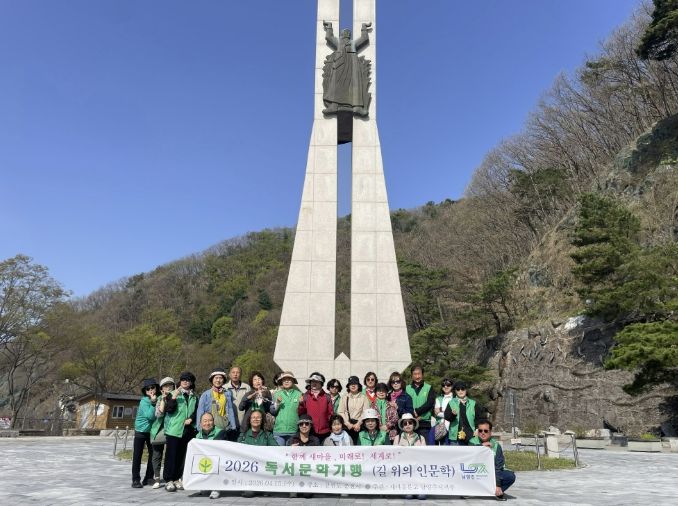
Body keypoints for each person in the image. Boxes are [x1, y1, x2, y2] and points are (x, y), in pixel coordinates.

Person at [163, 371, 198, 492]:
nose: (185, 382)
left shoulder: (194, 396)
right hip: (174, 429)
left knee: (182, 455)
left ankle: (177, 478)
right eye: (183, 379)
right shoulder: (172, 394)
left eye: (188, 380)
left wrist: (191, 419)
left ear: (191, 383)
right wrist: (174, 396)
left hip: (188, 430)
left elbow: (196, 411)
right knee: (171, 455)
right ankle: (168, 480)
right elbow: (169, 409)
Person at [469, 420, 515, 501]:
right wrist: (481, 446)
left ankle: (497, 491)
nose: (483, 433)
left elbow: (498, 467)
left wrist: (498, 485)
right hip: (475, 472)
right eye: (480, 430)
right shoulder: (472, 442)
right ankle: (470, 491)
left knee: (510, 476)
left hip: (491, 473)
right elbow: (467, 455)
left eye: (486, 431)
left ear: (490, 432)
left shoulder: (496, 445)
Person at [237, 410, 277, 498]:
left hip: (263, 471)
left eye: (258, 417)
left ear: (262, 420)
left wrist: (290, 449)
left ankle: (262, 488)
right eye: (253, 417)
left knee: (265, 492)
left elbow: (277, 449)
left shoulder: (267, 435)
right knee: (249, 493)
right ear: (250, 420)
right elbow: (235, 451)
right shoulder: (243, 436)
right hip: (248, 472)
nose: (256, 419)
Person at [131, 378, 158, 488]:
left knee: (153, 454)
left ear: (156, 388)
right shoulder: (144, 401)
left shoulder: (158, 398)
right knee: (137, 455)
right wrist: (153, 402)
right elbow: (150, 416)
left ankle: (149, 478)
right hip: (141, 431)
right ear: (145, 391)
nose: (151, 390)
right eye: (148, 389)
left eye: (153, 387)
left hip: (151, 431)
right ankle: (135, 479)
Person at [197, 369, 237, 441]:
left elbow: (230, 409)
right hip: (211, 428)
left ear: (223, 380)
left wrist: (233, 426)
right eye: (216, 378)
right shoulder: (206, 394)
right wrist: (199, 428)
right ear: (212, 379)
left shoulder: (227, 393)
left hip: (225, 427)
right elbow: (200, 411)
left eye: (220, 378)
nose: (218, 380)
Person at [195, 413, 227, 500]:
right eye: (205, 421)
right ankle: (205, 484)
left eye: (210, 421)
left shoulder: (221, 432)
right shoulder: (197, 436)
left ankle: (216, 488)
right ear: (200, 423)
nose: (207, 423)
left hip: (218, 461)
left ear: (213, 422)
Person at [149, 376, 174, 489]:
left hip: (173, 429)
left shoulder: (178, 397)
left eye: (170, 385)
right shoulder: (159, 399)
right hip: (159, 429)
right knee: (157, 454)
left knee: (171, 454)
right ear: (161, 388)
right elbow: (159, 414)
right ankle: (157, 478)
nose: (168, 387)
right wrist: (163, 400)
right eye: (165, 385)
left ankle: (171, 477)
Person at [444, 381, 484, 446]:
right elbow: (447, 417)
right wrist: (453, 415)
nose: (460, 391)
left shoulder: (473, 403)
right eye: (458, 389)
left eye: (462, 389)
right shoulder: (451, 403)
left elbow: (479, 418)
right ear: (455, 391)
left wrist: (477, 429)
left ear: (466, 390)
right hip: (455, 437)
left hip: (471, 436)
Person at [298, 372, 333, 442]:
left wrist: (327, 425)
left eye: (316, 381)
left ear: (321, 383)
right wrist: (301, 404)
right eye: (312, 381)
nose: (314, 383)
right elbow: (301, 414)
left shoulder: (327, 397)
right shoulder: (305, 396)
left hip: (325, 431)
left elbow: (330, 414)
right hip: (309, 431)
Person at [271, 371, 302, 446]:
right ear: (281, 382)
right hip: (279, 431)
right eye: (284, 380)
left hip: (294, 431)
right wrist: (277, 403)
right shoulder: (276, 394)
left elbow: (302, 412)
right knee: (279, 453)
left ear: (293, 381)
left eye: (289, 379)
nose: (286, 381)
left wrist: (302, 404)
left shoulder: (299, 394)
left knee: (291, 453)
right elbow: (272, 411)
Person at [337, 376, 371, 444]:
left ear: (358, 385)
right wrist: (347, 423)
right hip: (347, 427)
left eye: (355, 384)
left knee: (359, 445)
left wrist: (358, 424)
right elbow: (340, 412)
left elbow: (365, 412)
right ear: (348, 386)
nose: (353, 385)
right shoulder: (344, 397)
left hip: (359, 427)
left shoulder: (364, 397)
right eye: (351, 384)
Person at [406, 365, 436, 439]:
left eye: (419, 374)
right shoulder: (407, 388)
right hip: (409, 424)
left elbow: (430, 403)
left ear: (422, 375)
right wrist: (413, 415)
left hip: (424, 424)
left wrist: (418, 412)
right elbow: (405, 404)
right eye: (415, 374)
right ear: (412, 375)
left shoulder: (429, 387)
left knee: (425, 445)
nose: (417, 376)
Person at [386, 372, 413, 442]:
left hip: (401, 428)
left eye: (398, 381)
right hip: (387, 429)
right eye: (393, 382)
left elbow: (410, 414)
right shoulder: (387, 396)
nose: (395, 383)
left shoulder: (407, 397)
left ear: (401, 382)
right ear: (390, 383)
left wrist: (397, 408)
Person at [430, 378, 454, 445]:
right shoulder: (438, 399)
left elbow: (457, 412)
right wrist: (450, 413)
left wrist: (441, 410)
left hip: (453, 427)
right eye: (443, 385)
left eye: (448, 385)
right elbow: (437, 413)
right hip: (441, 428)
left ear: (452, 386)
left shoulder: (455, 398)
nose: (446, 386)